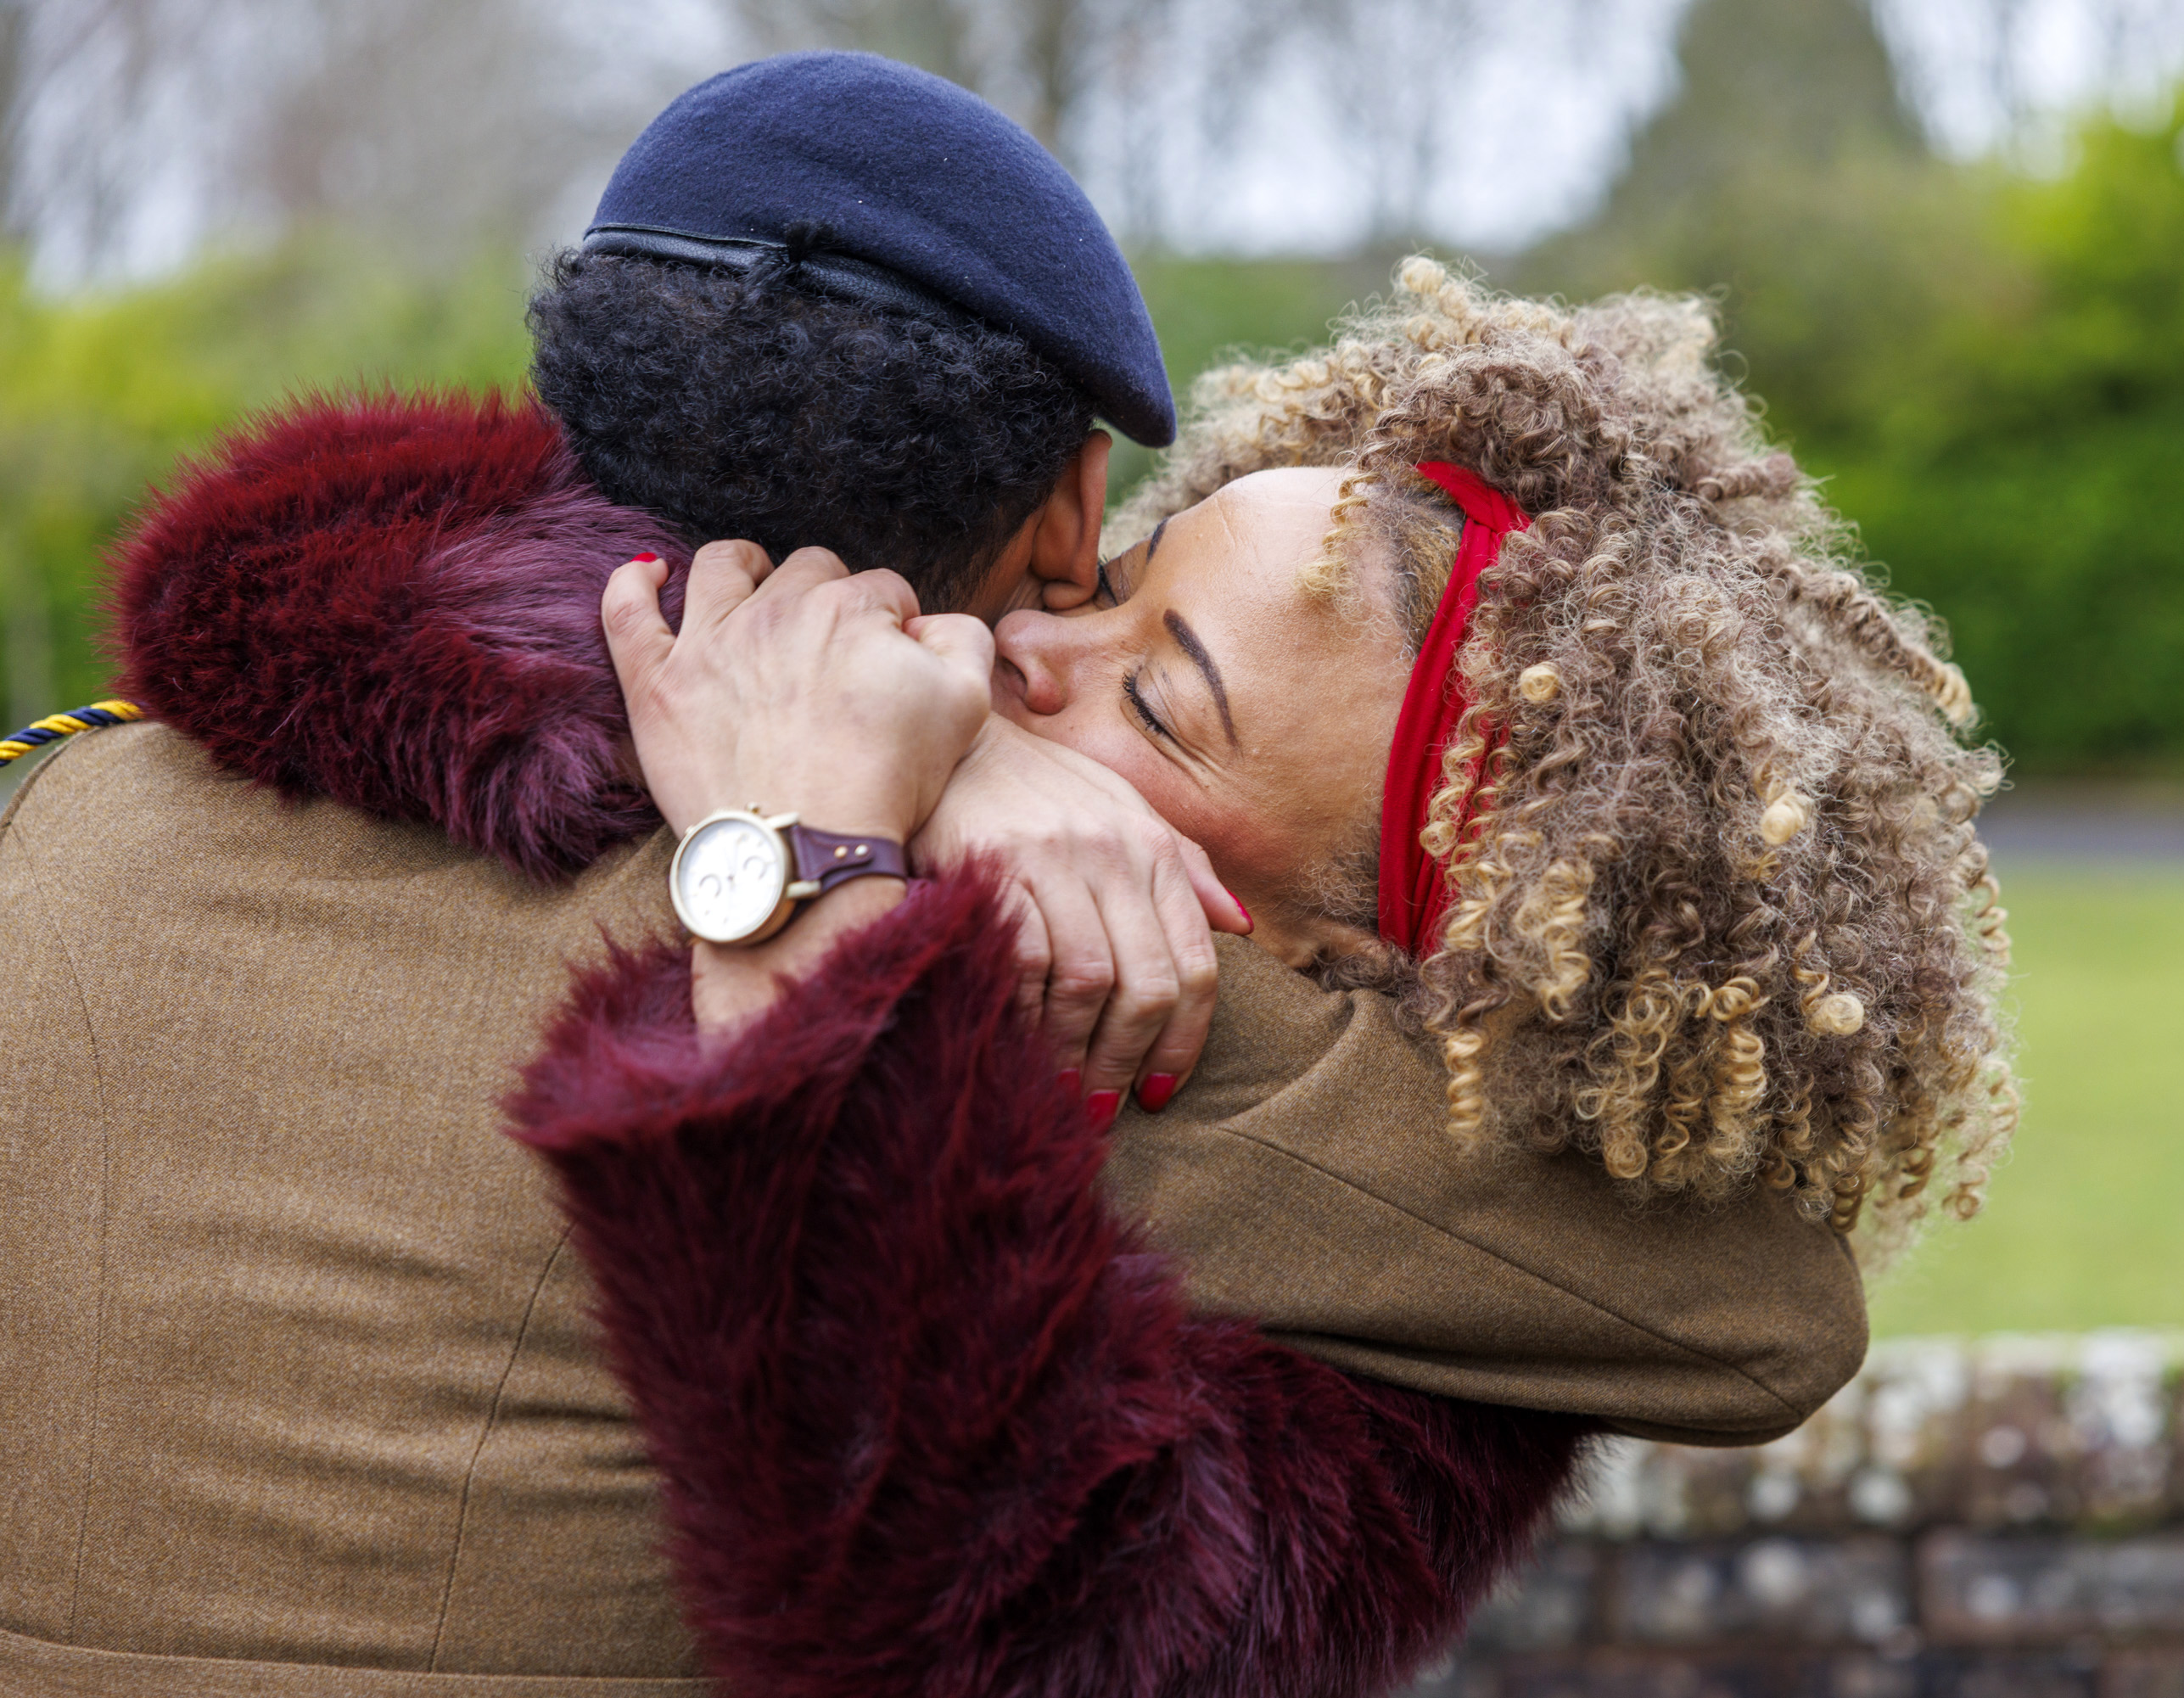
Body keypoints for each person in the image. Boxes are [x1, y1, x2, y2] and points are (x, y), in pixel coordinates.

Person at [0, 57, 1865, 1696]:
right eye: (1105, 583)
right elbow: (1754, 1305)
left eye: (1154, 678)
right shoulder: (1054, 994)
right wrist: (853, 853)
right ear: (1065, 508)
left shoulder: (66, 809)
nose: (1038, 674)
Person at [507, 259, 2021, 1695]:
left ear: (1335, 961)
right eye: (1114, 577)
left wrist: (810, 851)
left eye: (1158, 703)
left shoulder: (1347, 1283)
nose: (1022, 639)